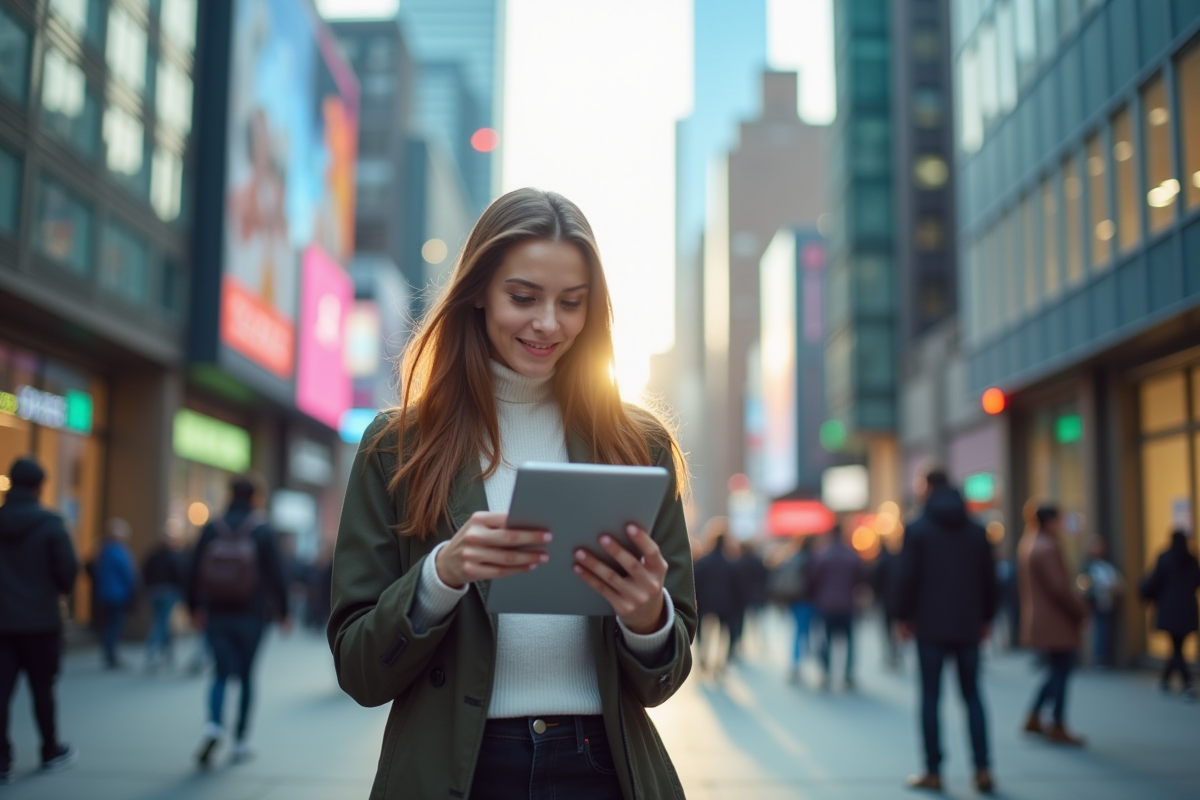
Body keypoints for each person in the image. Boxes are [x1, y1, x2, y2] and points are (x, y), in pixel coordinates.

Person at [327, 188, 696, 799]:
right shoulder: (397, 446)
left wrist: (647, 619)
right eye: (523, 297)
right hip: (459, 771)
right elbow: (359, 668)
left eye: (571, 302)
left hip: (600, 768)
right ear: (477, 292)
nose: (548, 323)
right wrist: (440, 576)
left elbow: (666, 676)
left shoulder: (637, 444)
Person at [894, 470, 997, 794]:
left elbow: (906, 577)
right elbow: (991, 579)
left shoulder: (917, 529)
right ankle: (983, 769)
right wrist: (986, 619)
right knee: (973, 697)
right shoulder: (977, 531)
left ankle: (933, 770)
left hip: (929, 626)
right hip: (968, 625)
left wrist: (902, 616)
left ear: (927, 488)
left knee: (930, 698)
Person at [187, 476, 291, 767]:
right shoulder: (262, 530)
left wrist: (194, 607)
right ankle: (242, 739)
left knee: (219, 673)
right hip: (252, 615)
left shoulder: (212, 527)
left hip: (217, 613)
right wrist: (284, 612)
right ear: (255, 497)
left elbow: (193, 570)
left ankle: (214, 725)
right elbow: (277, 574)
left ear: (229, 494)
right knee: (246, 676)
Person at [0, 458, 79, 781]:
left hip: (2, 622)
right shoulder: (50, 523)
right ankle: (50, 748)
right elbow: (67, 571)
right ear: (39, 487)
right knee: (43, 689)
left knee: (1, 692)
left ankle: (1, 759)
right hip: (41, 621)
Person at [1018, 504, 1087, 745]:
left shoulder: (1029, 543)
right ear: (1050, 522)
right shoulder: (1047, 547)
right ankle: (1056, 722)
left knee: (1055, 670)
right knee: (1061, 670)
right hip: (1055, 619)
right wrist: (1079, 610)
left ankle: (1035, 715)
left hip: (1041, 617)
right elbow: (1059, 588)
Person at [1139, 529, 1200, 700]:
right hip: (1187, 609)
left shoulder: (1165, 558)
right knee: (1177, 646)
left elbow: (1154, 581)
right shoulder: (1191, 559)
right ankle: (1165, 680)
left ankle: (1187, 683)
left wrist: (1144, 591)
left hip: (1170, 609)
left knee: (1176, 647)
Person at [809, 524, 864, 690]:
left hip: (826, 604)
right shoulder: (851, 555)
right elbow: (859, 579)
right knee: (849, 641)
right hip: (847, 604)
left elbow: (813, 579)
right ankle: (848, 674)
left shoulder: (822, 555)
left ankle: (826, 672)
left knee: (825, 640)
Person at [767, 536, 816, 683]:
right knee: (807, 632)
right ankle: (805, 660)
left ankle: (796, 663)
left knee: (798, 632)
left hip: (794, 600)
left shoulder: (791, 559)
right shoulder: (812, 560)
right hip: (808, 601)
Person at [692, 527, 742, 673]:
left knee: (703, 632)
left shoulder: (702, 562)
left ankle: (703, 658)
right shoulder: (730, 563)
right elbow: (737, 587)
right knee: (724, 633)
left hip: (705, 602)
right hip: (726, 604)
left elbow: (694, 583)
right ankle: (720, 661)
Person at [94, 518, 139, 669]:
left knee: (110, 624)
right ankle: (111, 654)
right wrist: (133, 589)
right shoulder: (117, 550)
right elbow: (127, 573)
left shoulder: (103, 549)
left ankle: (109, 652)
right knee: (114, 625)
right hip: (117, 593)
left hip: (106, 592)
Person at [142, 527, 187, 670]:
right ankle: (152, 654)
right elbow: (180, 573)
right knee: (161, 622)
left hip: (155, 591)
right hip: (168, 591)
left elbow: (145, 572)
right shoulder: (172, 556)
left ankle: (168, 654)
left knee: (162, 621)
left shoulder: (152, 556)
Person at [1081, 537, 1123, 668]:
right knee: (1098, 630)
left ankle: (1104, 657)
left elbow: (1117, 581)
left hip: (1108, 602)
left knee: (1106, 629)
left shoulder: (1108, 565)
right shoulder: (1088, 567)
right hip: (1095, 603)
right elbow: (1083, 585)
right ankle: (1098, 658)